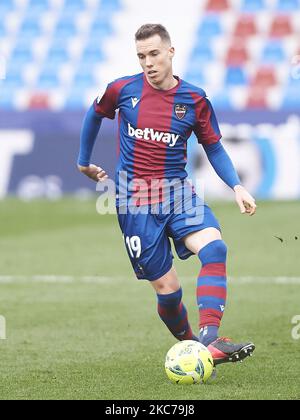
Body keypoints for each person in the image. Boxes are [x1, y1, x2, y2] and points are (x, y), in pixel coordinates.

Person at [77, 24, 257, 366]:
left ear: (170, 52)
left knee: (215, 246)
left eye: (154, 54)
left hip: (176, 192)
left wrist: (236, 185)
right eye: (142, 56)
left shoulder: (194, 99)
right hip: (134, 202)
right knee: (168, 291)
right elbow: (94, 113)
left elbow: (213, 146)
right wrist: (83, 162)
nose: (148, 63)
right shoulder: (122, 90)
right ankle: (196, 349)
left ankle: (209, 336)